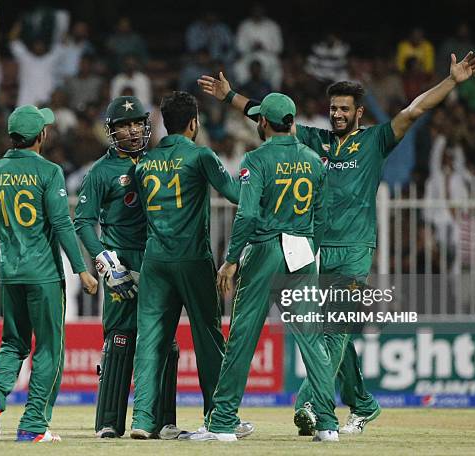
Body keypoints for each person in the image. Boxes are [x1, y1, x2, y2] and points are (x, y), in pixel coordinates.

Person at [198, 50, 475, 435]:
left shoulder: (377, 140)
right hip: (313, 251)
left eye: (345, 109)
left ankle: (310, 407)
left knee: (333, 329)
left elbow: (414, 110)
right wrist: (231, 97)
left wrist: (451, 81)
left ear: (359, 112)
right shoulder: (316, 141)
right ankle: (363, 402)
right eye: (333, 108)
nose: (337, 115)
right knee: (332, 333)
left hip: (355, 251)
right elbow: (275, 119)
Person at [188, 93, 337, 443]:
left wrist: (230, 260)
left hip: (266, 249)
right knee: (312, 340)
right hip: (301, 251)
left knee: (242, 336)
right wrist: (306, 248)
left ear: (265, 123)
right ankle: (328, 423)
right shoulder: (315, 160)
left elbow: (248, 214)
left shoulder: (256, 160)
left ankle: (223, 423)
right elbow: (323, 217)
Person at [129, 91, 251, 439]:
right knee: (208, 339)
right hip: (193, 259)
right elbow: (235, 195)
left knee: (150, 340)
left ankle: (142, 420)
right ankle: (218, 417)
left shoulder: (146, 161)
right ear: (194, 123)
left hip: (155, 261)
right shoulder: (201, 155)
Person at [0, 104, 98, 443]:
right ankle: (33, 426)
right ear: (41, 135)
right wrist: (82, 270)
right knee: (48, 349)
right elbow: (61, 223)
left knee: (12, 344)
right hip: (43, 274)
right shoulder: (49, 172)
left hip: (9, 272)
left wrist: (15, 236)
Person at [74, 96, 182, 439]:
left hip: (157, 259)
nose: (133, 131)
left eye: (137, 123)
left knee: (166, 339)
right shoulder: (101, 172)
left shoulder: (158, 161)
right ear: (112, 131)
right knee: (120, 338)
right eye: (124, 125)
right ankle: (109, 422)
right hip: (121, 260)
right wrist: (105, 261)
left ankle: (163, 421)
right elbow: (83, 222)